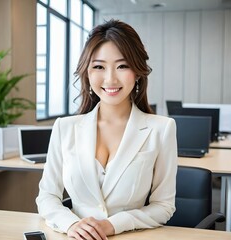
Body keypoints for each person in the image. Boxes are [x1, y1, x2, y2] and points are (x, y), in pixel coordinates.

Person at [36, 19, 177, 240]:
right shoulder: (65, 128)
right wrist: (71, 224)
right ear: (88, 73)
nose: (110, 79)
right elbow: (47, 196)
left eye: (122, 66)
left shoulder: (161, 129)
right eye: (99, 66)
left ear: (138, 72)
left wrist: (113, 225)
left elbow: (163, 206)